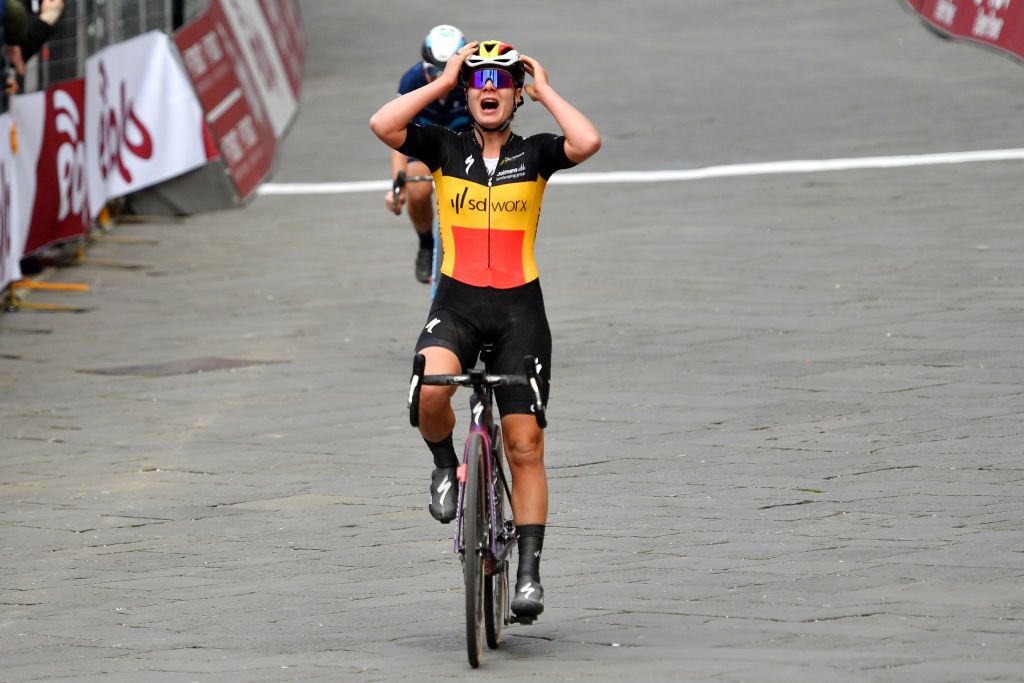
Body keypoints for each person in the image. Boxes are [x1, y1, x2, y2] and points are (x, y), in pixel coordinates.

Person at [370, 39, 600, 619]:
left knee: (525, 444)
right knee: (431, 390)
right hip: (458, 306)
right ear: (468, 94)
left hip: (521, 312)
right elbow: (383, 123)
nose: (490, 89)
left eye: (502, 81)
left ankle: (527, 572)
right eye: (480, 82)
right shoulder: (444, 147)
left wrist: (543, 88)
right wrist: (444, 82)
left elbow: (587, 141)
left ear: (516, 94)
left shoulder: (538, 152)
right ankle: (446, 467)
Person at [384, 24, 471, 284]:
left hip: (463, 146)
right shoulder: (411, 81)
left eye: (446, 71)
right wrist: (398, 183)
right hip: (426, 147)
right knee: (418, 189)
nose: (440, 80)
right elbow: (396, 132)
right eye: (433, 71)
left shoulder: (473, 81)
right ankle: (425, 244)